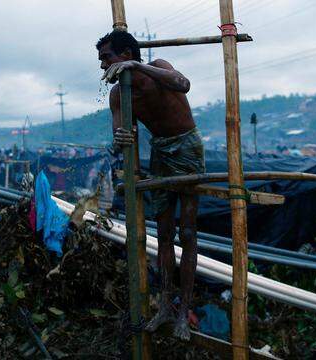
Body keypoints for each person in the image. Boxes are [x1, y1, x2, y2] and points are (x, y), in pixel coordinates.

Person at [98, 30, 205, 340]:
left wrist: (137, 67)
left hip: (186, 148)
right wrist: (120, 139)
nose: (103, 64)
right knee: (165, 233)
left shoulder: (158, 67)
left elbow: (183, 84)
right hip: (160, 151)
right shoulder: (119, 94)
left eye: (106, 57)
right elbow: (120, 135)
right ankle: (165, 307)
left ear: (125, 55)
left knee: (187, 231)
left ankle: (184, 311)